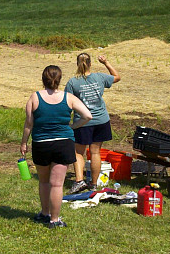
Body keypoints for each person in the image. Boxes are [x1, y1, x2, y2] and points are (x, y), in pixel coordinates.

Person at [20, 65, 92, 229]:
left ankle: (45, 213)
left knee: (44, 182)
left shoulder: (35, 97)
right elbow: (88, 115)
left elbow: (28, 124)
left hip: (41, 143)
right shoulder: (69, 97)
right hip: (63, 143)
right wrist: (73, 127)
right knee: (57, 184)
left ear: (43, 79)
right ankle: (55, 219)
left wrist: (24, 143)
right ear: (59, 80)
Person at [65, 53, 121, 194]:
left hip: (82, 122)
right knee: (95, 152)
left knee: (78, 153)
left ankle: (79, 181)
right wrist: (106, 62)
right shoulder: (100, 77)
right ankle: (94, 184)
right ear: (90, 64)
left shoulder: (73, 82)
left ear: (77, 64)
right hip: (101, 120)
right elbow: (117, 77)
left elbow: (67, 104)